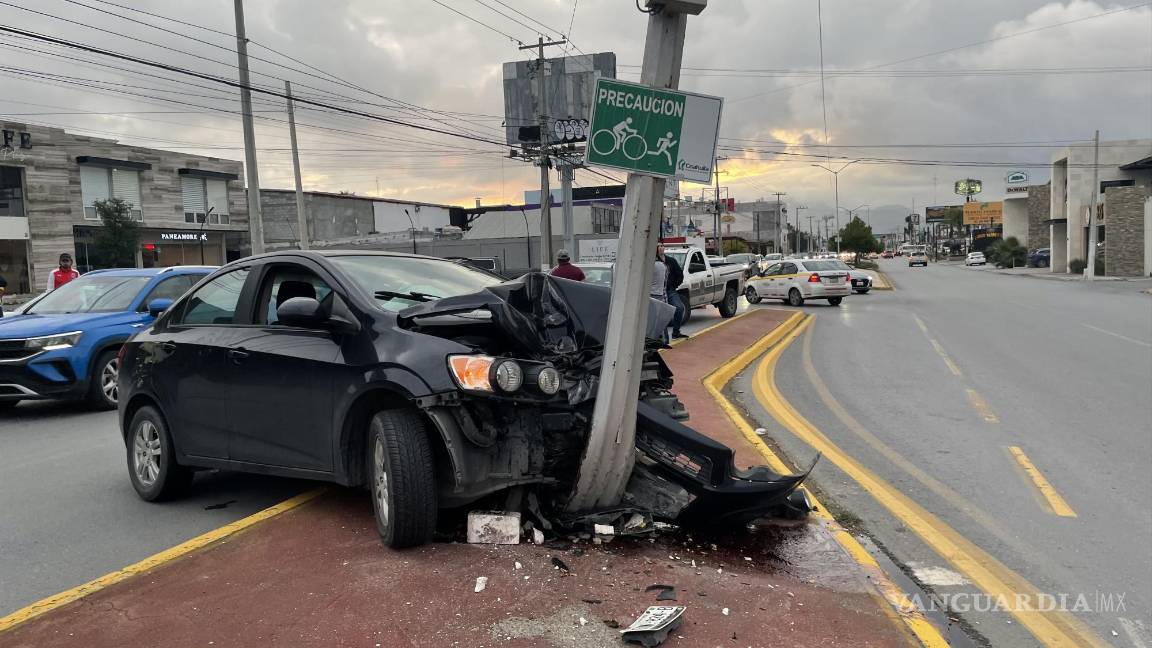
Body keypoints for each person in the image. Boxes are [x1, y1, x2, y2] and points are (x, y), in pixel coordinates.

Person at [659, 245, 687, 339]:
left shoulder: (671, 261)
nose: (660, 248)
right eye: (658, 246)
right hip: (657, 291)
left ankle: (676, 332)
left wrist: (673, 285)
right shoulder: (653, 261)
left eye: (662, 246)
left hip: (669, 290)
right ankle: (659, 337)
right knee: (660, 313)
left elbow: (680, 274)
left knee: (679, 308)